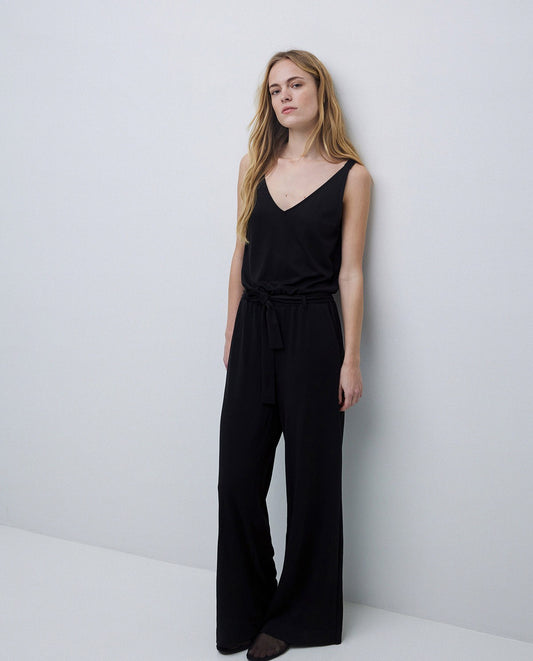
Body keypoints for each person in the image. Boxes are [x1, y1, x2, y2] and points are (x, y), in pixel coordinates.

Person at [216, 49, 372, 660]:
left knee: (311, 483)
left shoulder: (352, 177)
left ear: (319, 91)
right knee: (238, 480)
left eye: (295, 84)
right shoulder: (254, 166)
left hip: (314, 334)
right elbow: (240, 251)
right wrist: (232, 329)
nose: (284, 96)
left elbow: (351, 273)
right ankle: (248, 608)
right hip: (255, 328)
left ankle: (300, 618)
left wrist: (350, 359)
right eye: (274, 89)